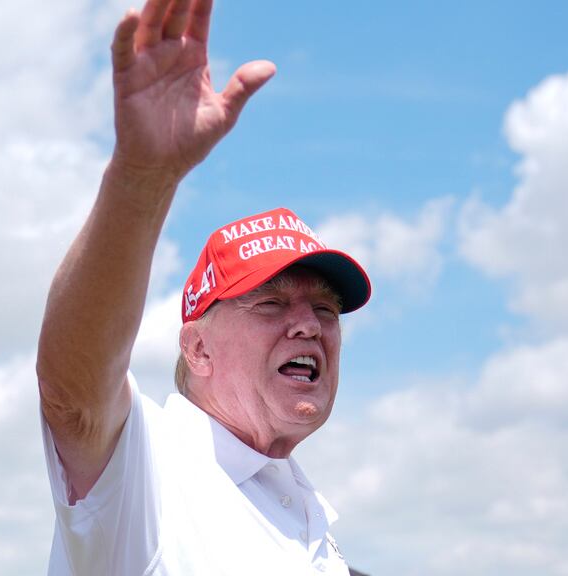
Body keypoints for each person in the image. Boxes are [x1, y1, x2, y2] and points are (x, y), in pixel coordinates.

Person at [36, 0, 371, 574]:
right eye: (270, 303)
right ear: (197, 348)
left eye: (324, 307)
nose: (309, 324)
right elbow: (73, 399)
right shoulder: (151, 466)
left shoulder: (310, 516)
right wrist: (142, 179)